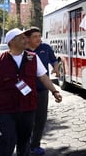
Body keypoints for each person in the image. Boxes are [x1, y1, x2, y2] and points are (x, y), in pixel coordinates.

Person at [0, 28, 62, 156]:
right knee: (6, 139)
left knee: (24, 141)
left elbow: (43, 76)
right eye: (22, 38)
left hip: (28, 107)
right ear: (12, 42)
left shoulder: (33, 58)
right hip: (7, 108)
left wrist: (54, 91)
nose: (26, 40)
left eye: (25, 37)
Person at [24, 27, 58, 155]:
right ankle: (24, 145)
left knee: (40, 119)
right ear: (28, 38)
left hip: (43, 90)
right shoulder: (23, 51)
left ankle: (35, 145)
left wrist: (56, 68)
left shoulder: (46, 48)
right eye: (35, 36)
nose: (38, 39)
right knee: (27, 120)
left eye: (39, 36)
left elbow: (54, 60)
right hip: (26, 92)